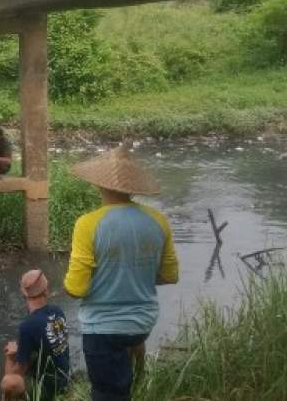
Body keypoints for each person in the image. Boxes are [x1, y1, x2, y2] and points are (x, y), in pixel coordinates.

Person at [63, 146, 179, 401]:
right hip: (142, 323)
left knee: (106, 393)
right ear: (133, 186)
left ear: (98, 184)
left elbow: (76, 289)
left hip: (103, 327)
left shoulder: (88, 223)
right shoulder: (158, 220)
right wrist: (134, 274)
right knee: (123, 386)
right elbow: (170, 276)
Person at [1, 270, 70, 401]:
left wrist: (10, 356)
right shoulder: (58, 311)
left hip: (48, 388)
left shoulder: (28, 326)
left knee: (8, 383)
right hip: (64, 377)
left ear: (24, 293)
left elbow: (14, 377)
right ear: (46, 291)